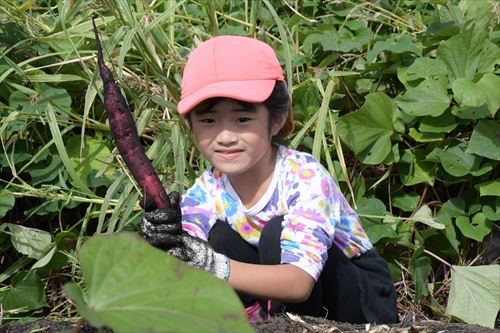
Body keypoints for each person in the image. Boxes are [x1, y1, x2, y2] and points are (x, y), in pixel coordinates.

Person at [141, 35, 398, 324]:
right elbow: (187, 257)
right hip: (276, 295)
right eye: (208, 121)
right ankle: (258, 321)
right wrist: (164, 239)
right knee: (218, 238)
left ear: (276, 119)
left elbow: (299, 284)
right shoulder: (206, 190)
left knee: (276, 233)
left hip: (355, 296)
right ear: (191, 125)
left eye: (242, 120)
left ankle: (285, 324)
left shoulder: (305, 177)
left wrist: (214, 265)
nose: (225, 137)